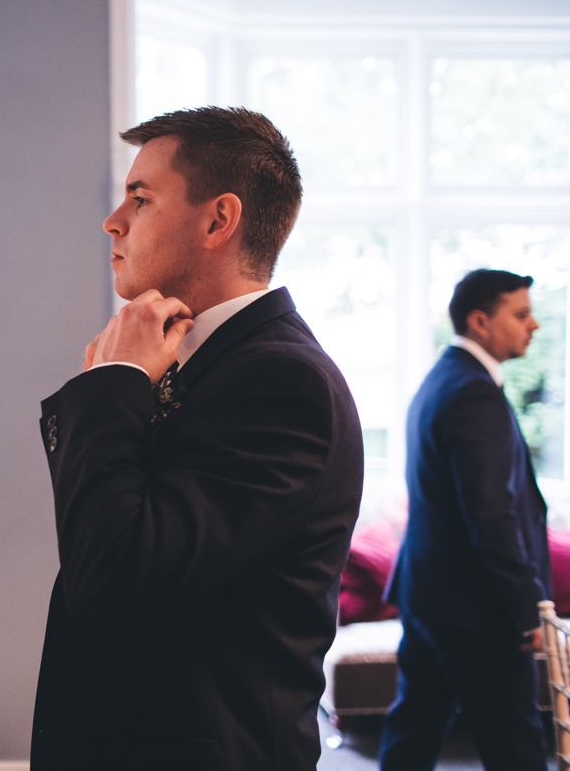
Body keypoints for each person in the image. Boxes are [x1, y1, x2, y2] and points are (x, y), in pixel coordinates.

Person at [30, 106, 363, 770]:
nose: (113, 221)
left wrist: (113, 384)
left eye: (140, 198)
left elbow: (111, 579)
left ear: (218, 220)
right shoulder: (208, 361)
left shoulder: (282, 381)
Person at [380, 269, 551, 770]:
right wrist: (526, 607)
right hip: (478, 609)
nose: (534, 325)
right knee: (517, 749)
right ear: (480, 321)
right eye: (520, 314)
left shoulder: (443, 378)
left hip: (432, 595)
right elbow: (493, 515)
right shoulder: (474, 392)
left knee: (413, 732)